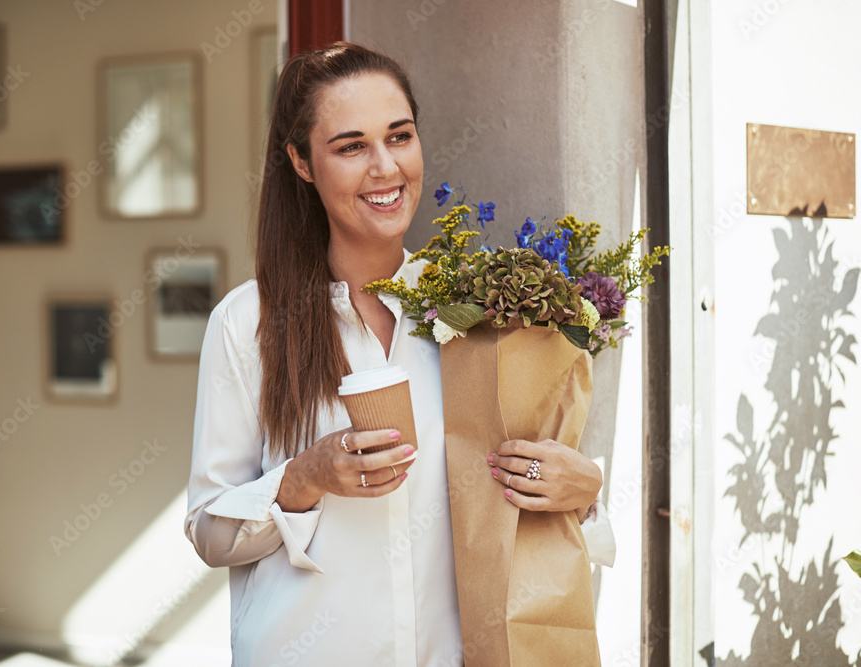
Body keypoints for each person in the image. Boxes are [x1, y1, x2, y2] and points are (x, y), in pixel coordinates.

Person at [184, 42, 615, 666]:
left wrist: (584, 488)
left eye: (400, 136)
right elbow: (210, 532)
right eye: (351, 146)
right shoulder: (248, 323)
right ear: (302, 163)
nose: (385, 167)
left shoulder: (480, 313)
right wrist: (303, 479)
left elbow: (516, 497)